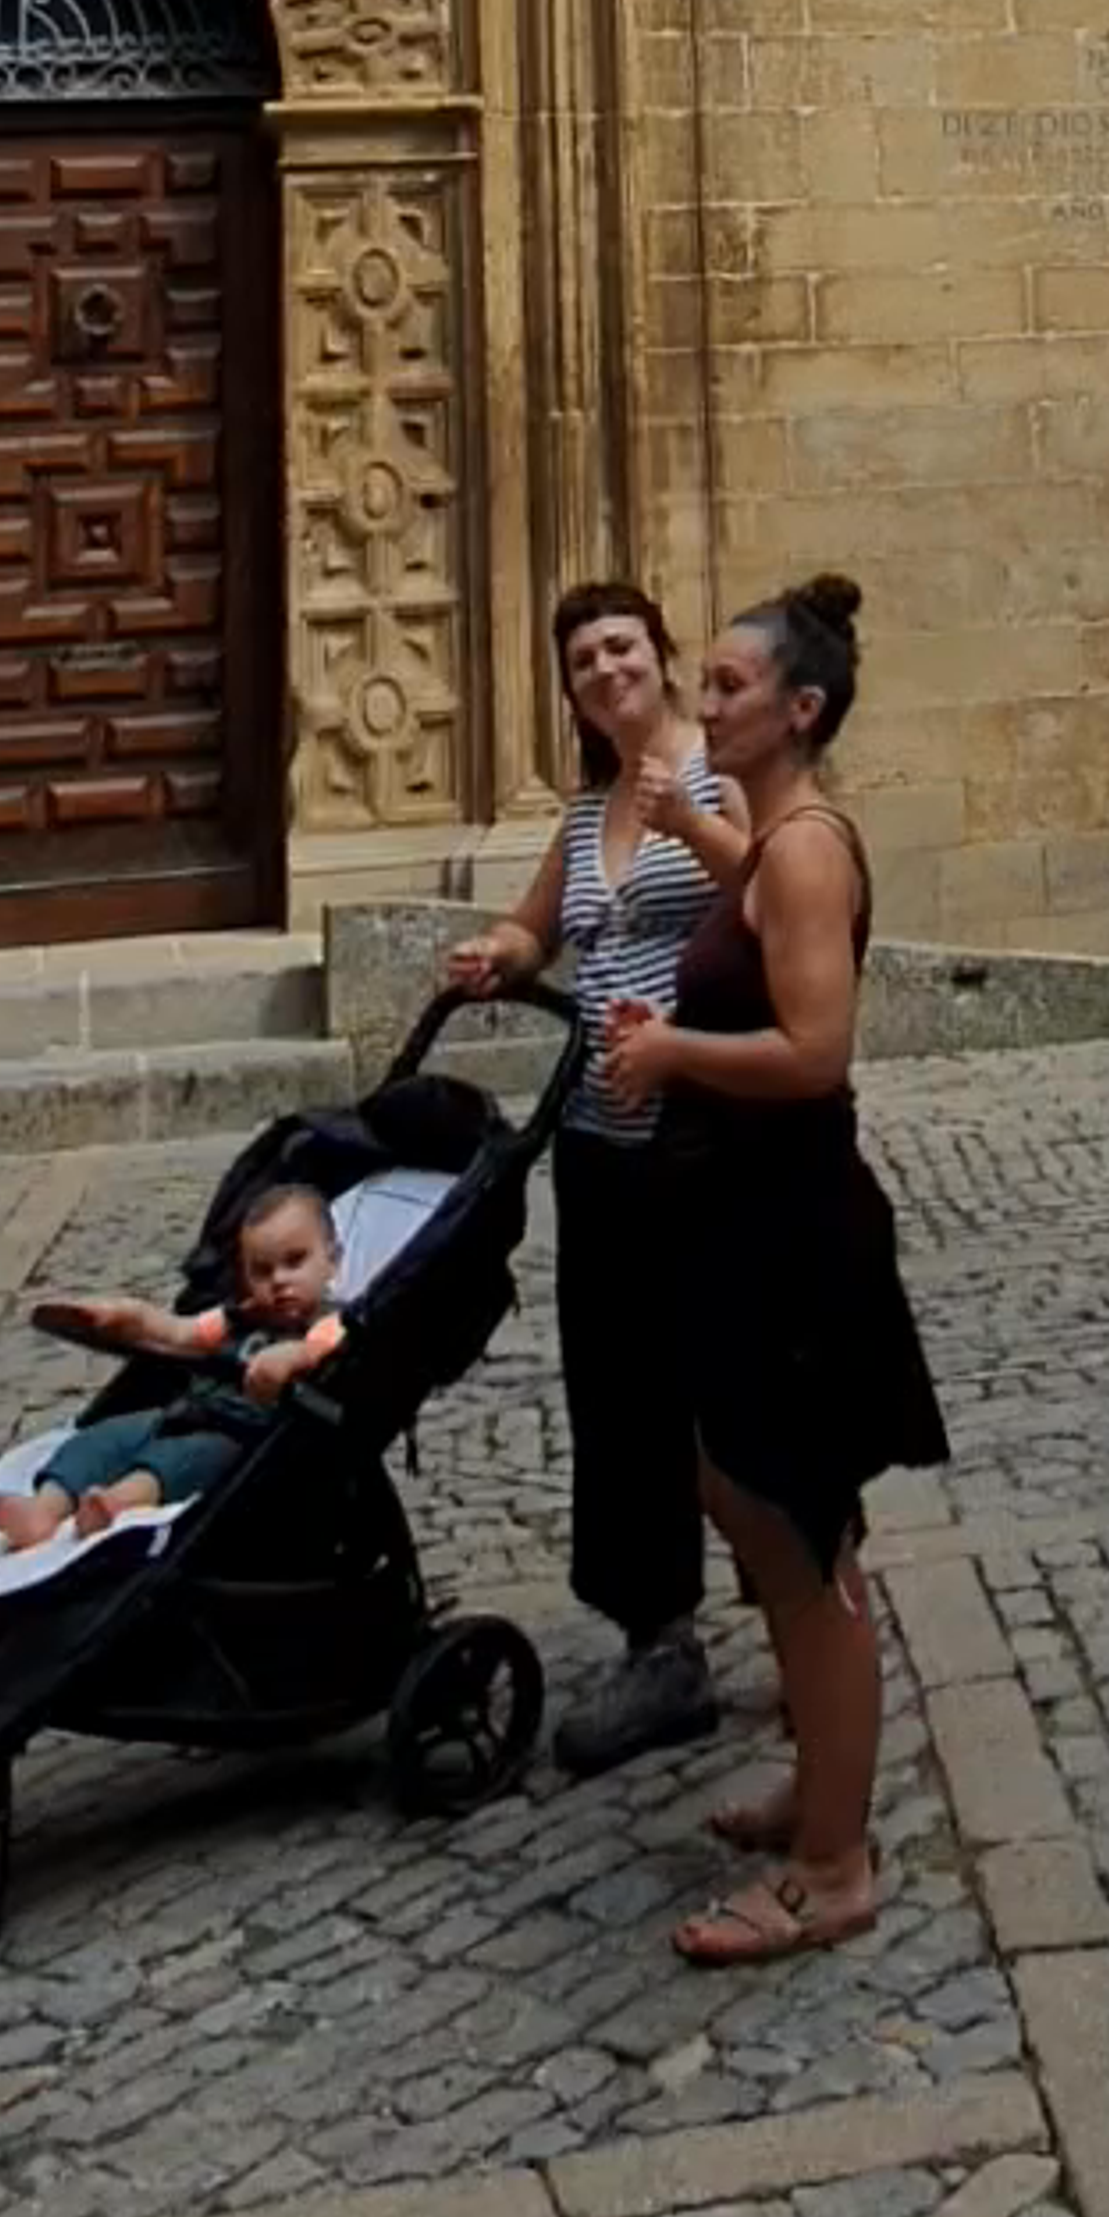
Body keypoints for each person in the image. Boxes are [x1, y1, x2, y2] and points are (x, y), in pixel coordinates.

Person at [593, 568, 947, 1966]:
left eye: (729, 685)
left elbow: (816, 1051)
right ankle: (823, 1777)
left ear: (799, 708)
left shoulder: (806, 847)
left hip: (791, 1230)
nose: (705, 700)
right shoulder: (776, 838)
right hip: (745, 1222)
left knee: (801, 1542)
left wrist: (672, 1050)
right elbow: (763, 892)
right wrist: (691, 821)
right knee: (760, 1502)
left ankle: (836, 1862)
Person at [438, 580, 749, 1775]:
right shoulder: (586, 812)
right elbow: (543, 928)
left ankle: (810, 1562)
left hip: (710, 1125)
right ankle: (659, 1639)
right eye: (583, 660)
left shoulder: (721, 778)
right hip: (601, 1138)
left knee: (736, 1374)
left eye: (623, 645)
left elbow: (784, 900)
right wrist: (498, 952)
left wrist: (695, 826)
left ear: (663, 656)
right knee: (619, 1392)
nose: (607, 670)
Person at [0, 1174, 352, 1544]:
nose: (279, 1280)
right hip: (184, 1413)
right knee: (107, 1437)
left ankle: (115, 1505)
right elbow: (179, 1334)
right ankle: (43, 1509)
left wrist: (291, 1355)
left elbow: (325, 1346)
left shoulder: (328, 1323)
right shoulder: (240, 1316)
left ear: (332, 1260)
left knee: (177, 1461)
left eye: (295, 1261)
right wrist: (128, 1317)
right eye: (262, 1270)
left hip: (238, 1438)